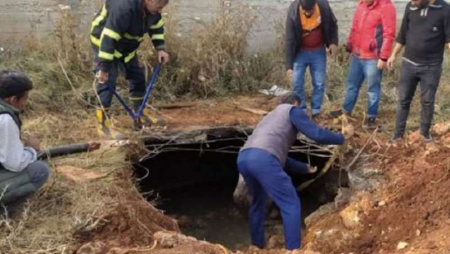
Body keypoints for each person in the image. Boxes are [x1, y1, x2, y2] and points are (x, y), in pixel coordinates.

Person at [237, 92, 353, 250]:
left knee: (258, 202)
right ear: (296, 103)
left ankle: (257, 245)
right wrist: (341, 138)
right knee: (290, 203)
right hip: (263, 159)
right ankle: (293, 249)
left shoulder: (270, 118)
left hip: (244, 158)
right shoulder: (292, 110)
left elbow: (276, 157)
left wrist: (305, 168)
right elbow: (316, 134)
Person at [90, 0, 170, 138]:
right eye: (158, 6)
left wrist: (160, 48)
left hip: (127, 47)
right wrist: (103, 68)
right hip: (105, 44)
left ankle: (139, 114)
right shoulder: (123, 8)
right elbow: (108, 38)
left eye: (162, 7)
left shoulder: (152, 10)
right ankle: (103, 125)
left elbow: (156, 26)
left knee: (137, 77)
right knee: (107, 83)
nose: (159, 10)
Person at [387, 0, 450, 142]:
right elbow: (403, 34)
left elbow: (449, 39)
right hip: (408, 64)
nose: (413, 2)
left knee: (427, 101)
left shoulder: (445, 9)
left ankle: (424, 133)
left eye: (416, 0)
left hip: (431, 67)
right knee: (403, 100)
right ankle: (398, 135)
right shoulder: (411, 6)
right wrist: (393, 55)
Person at [329, 0, 396, 129]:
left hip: (373, 57)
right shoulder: (361, 5)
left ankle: (371, 117)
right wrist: (349, 46)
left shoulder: (386, 7)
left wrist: (383, 57)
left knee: (372, 89)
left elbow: (389, 35)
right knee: (351, 86)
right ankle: (346, 111)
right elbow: (354, 28)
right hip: (357, 55)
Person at [0, 71, 50, 215]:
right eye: (24, 100)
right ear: (13, 100)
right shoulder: (4, 119)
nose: (24, 105)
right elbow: (15, 164)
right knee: (39, 170)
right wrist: (30, 149)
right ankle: (5, 214)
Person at [285, 0, 339, 120]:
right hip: (300, 52)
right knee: (296, 83)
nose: (308, 13)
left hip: (318, 52)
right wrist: (289, 65)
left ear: (315, 4)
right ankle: (301, 110)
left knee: (319, 83)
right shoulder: (293, 10)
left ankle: (316, 111)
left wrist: (333, 42)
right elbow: (289, 39)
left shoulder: (323, 6)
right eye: (306, 11)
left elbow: (333, 23)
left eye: (311, 10)